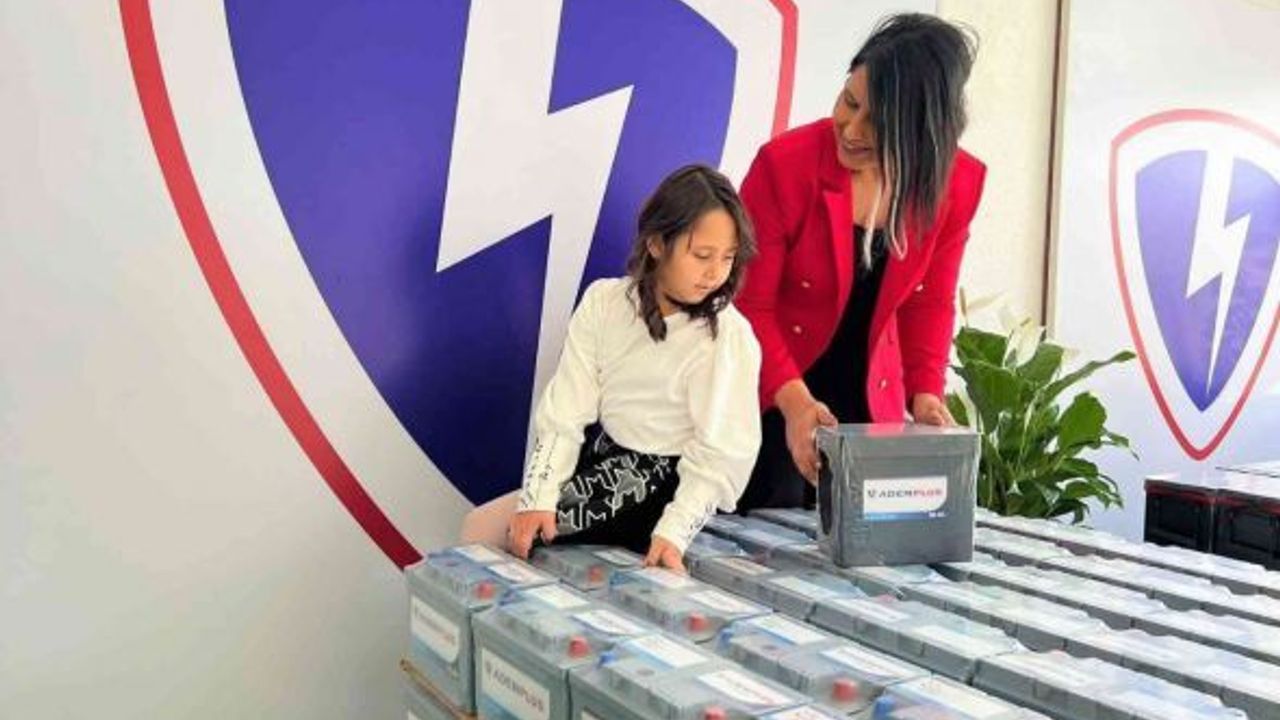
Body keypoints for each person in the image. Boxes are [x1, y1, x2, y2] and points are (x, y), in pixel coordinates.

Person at [735, 13, 986, 510]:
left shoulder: (957, 182)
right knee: (767, 531)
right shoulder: (785, 165)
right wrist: (795, 403)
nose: (850, 129)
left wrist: (926, 393)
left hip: (870, 404)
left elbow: (928, 301)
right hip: (775, 392)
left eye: (876, 122)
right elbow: (750, 305)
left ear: (919, 131)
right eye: (849, 102)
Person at [459, 164, 762, 572]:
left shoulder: (727, 335)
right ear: (656, 243)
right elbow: (567, 410)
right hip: (601, 463)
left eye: (728, 257)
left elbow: (722, 453)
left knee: (484, 533)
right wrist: (538, 497)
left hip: (665, 487)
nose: (715, 273)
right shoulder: (604, 302)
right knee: (480, 529)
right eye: (702, 255)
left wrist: (674, 531)